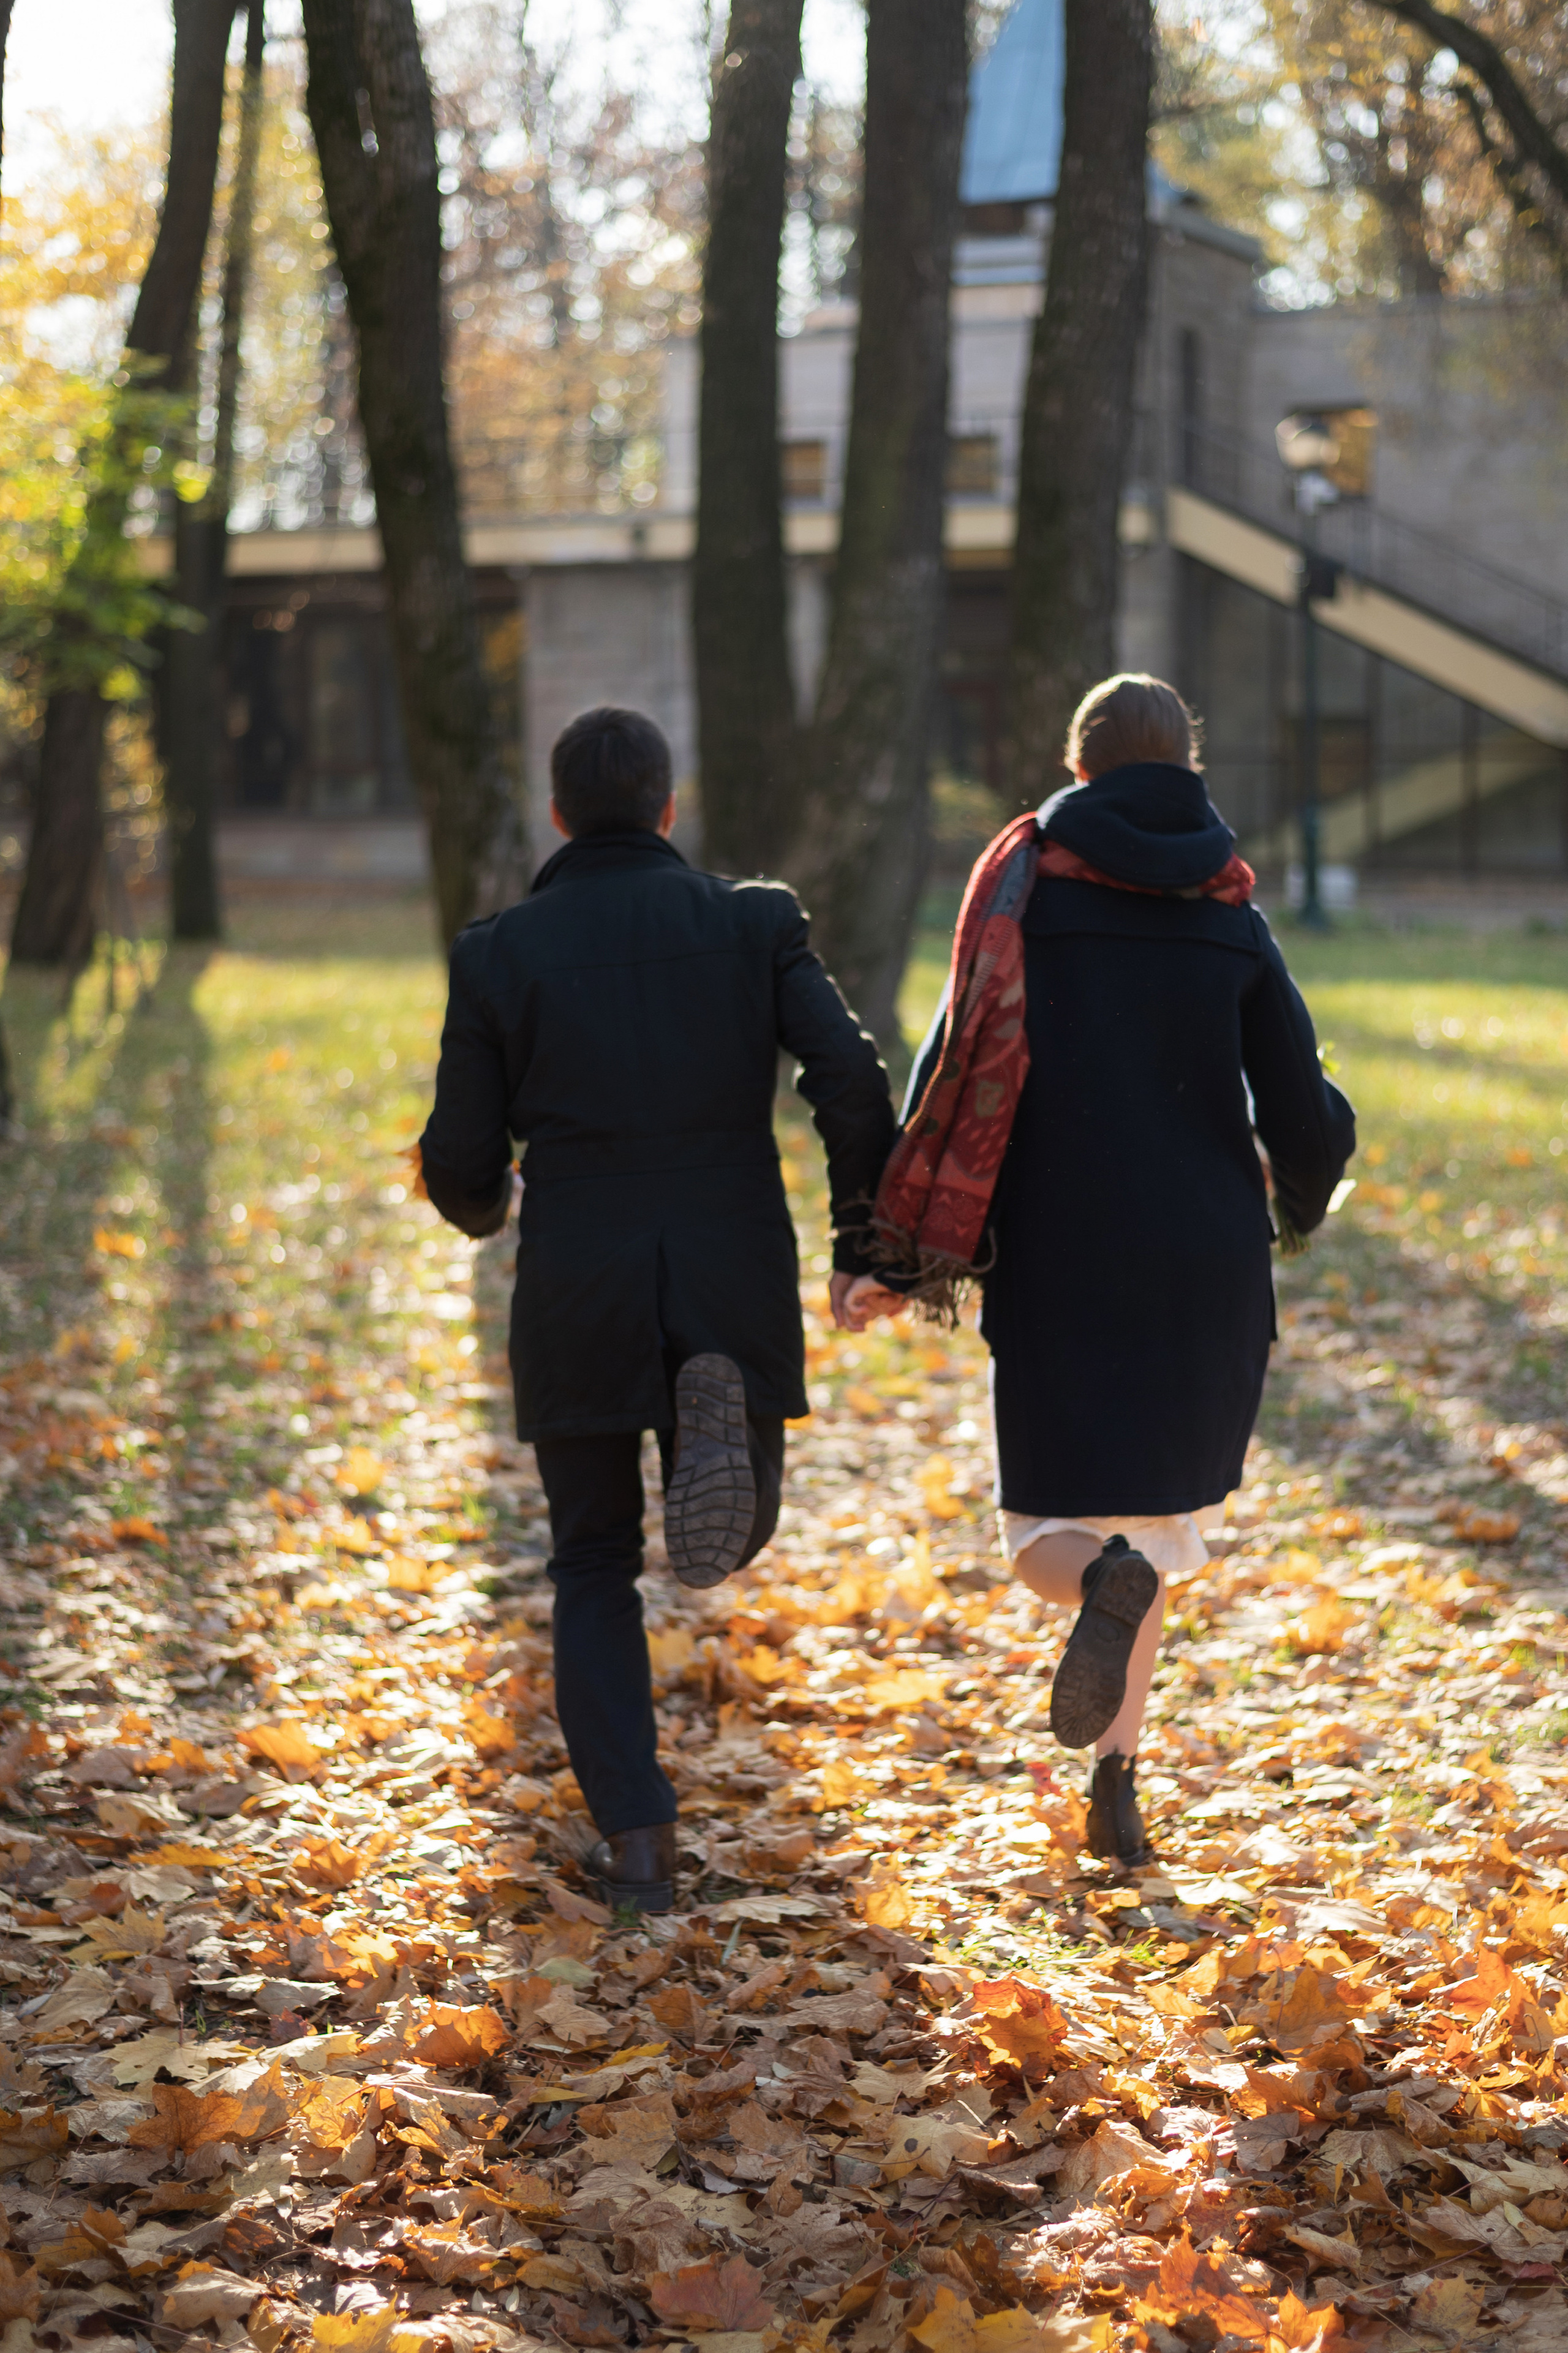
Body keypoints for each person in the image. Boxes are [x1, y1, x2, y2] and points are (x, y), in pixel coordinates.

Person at [844, 674, 1355, 1868]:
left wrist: (889, 1247)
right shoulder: (1233, 915)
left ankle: (1105, 1635)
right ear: (1188, 769)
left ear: (1080, 772)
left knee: (1049, 1538)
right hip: (1202, 1265)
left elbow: (947, 1075)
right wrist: (1298, 1198)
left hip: (1063, 1251)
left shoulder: (1021, 899)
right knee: (1149, 1539)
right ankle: (1113, 1790)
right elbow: (1303, 1117)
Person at [420, 706, 895, 1913]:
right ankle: (725, 1485)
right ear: (670, 811)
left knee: (587, 1561)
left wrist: (484, 1203)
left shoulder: (497, 951)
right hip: (724, 1261)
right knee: (725, 1496)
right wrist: (864, 1239)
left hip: (577, 1271)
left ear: (558, 816)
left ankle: (636, 1842)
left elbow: (460, 1155)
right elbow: (847, 1072)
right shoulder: (753, 921)